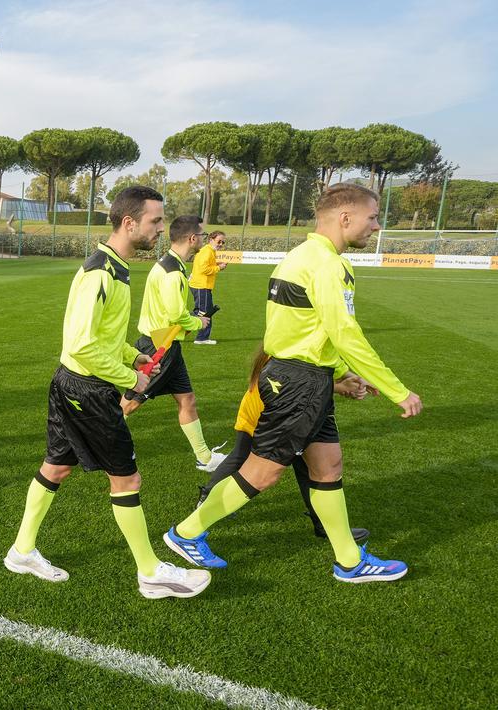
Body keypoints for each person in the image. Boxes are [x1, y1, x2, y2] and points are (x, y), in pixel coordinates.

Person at [164, 183, 423, 584]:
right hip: (297, 384)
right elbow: (344, 332)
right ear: (345, 218)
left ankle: (349, 561)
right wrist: (396, 390)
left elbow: (301, 329)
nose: (377, 225)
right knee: (263, 472)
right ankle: (186, 532)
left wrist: (336, 374)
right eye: (372, 217)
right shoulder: (326, 264)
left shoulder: (301, 256)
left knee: (328, 465)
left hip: (303, 378)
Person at [3, 185, 211, 600]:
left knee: (56, 467)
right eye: (154, 221)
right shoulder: (101, 272)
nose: (159, 229)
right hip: (87, 389)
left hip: (75, 385)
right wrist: (128, 378)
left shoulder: (117, 268)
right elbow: (81, 343)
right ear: (129, 222)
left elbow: (104, 335)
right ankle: (150, 572)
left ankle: (21, 550)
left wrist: (133, 356)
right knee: (127, 477)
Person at [197, 350, 371, 544]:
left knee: (310, 468)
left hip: (292, 413)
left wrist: (348, 379)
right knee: (243, 458)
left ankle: (323, 524)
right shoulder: (294, 346)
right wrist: (341, 387)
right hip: (269, 413)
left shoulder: (297, 342)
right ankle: (204, 503)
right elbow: (296, 389)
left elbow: (324, 368)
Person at [120, 214, 223, 472]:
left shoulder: (167, 264)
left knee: (187, 399)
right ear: (192, 238)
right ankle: (94, 442)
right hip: (158, 348)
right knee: (129, 404)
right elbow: (176, 314)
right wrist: (198, 323)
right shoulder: (173, 272)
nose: (203, 238)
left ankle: (205, 457)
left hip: (167, 346)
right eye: (202, 235)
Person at [189, 231, 227, 345]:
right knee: (204, 312)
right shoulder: (207, 251)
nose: (220, 244)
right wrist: (219, 268)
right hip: (201, 285)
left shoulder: (209, 250)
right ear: (211, 239)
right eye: (219, 241)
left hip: (201, 285)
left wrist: (216, 263)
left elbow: (206, 265)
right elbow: (203, 269)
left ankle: (201, 336)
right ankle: (200, 337)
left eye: (223, 242)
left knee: (204, 311)